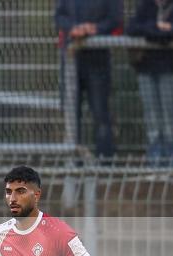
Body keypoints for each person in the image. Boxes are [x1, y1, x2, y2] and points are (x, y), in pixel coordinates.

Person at [55, 0, 123, 159]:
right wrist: (73, 28)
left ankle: (105, 163)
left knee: (101, 114)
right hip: (72, 60)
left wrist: (94, 29)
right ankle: (73, 163)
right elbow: (59, 16)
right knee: (72, 114)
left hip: (98, 59)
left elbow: (115, 19)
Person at [127, 0, 173, 164]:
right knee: (152, 119)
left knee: (170, 121)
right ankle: (155, 162)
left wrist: (152, 32)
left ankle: (172, 162)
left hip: (170, 71)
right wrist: (156, 27)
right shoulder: (146, 6)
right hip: (146, 70)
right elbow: (132, 28)